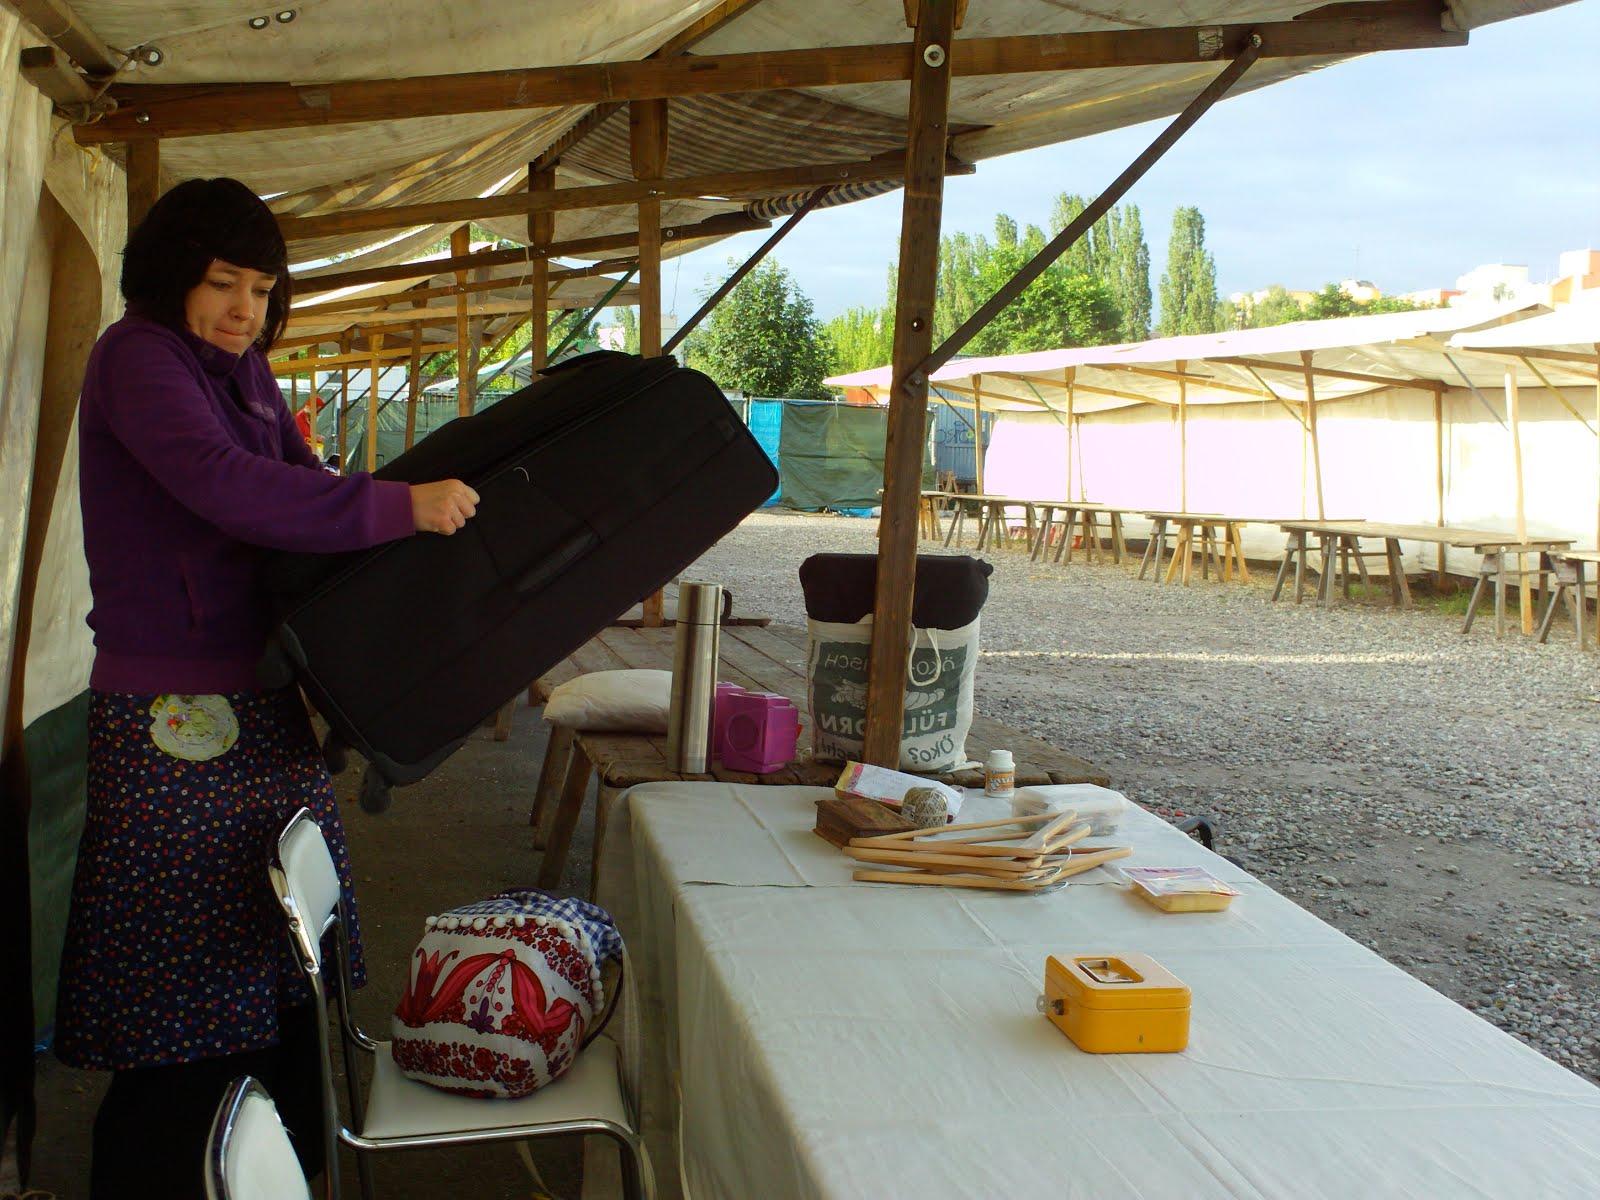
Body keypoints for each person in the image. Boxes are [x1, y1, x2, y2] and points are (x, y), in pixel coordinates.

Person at [53, 177, 479, 1197]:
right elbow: (228, 486)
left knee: (274, 962)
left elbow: (303, 482)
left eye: (260, 289)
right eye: (221, 284)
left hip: (261, 699)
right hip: (169, 717)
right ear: (170, 278)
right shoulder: (139, 358)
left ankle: (278, 1162)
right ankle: (163, 1176)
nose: (244, 310)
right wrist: (394, 509)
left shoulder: (242, 372)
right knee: (182, 987)